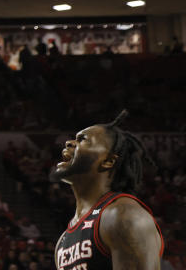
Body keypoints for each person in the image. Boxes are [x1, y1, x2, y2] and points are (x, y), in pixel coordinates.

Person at [50, 110, 164, 270]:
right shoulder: (63, 241)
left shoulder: (124, 215)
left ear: (108, 161)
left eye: (82, 140)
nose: (69, 143)